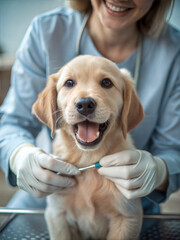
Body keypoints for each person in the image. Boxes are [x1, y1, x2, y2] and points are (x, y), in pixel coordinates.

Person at [0, 0, 180, 233]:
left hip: (135, 206)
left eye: (106, 83)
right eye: (70, 83)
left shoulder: (174, 53)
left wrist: (159, 170)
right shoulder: (46, 30)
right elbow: (11, 123)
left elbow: (174, 149)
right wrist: (19, 156)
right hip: (38, 203)